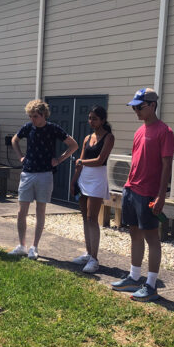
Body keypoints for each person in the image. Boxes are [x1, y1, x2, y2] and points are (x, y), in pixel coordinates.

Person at [111, 88, 174, 301]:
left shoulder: (165, 131)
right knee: (134, 234)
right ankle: (134, 277)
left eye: (139, 107)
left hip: (149, 194)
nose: (135, 111)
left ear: (152, 105)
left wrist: (161, 195)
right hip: (131, 189)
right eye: (134, 107)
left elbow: (167, 165)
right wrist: (127, 187)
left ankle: (151, 285)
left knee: (152, 238)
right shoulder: (139, 131)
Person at [9, 99, 78, 260]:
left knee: (40, 211)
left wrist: (59, 160)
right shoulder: (28, 127)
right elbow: (14, 140)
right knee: (21, 211)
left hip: (45, 174)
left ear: (43, 115)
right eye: (31, 116)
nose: (33, 119)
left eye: (35, 116)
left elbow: (73, 145)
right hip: (28, 172)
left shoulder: (53, 129)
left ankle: (35, 246)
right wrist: (20, 157)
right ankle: (21, 245)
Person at [70, 105, 115, 273]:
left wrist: (80, 163)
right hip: (83, 180)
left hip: (97, 180)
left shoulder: (109, 137)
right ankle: (88, 253)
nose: (91, 121)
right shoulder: (87, 137)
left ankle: (95, 259)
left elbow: (99, 159)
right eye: (90, 118)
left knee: (92, 218)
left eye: (94, 118)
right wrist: (73, 181)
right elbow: (80, 161)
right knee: (84, 218)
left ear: (103, 120)